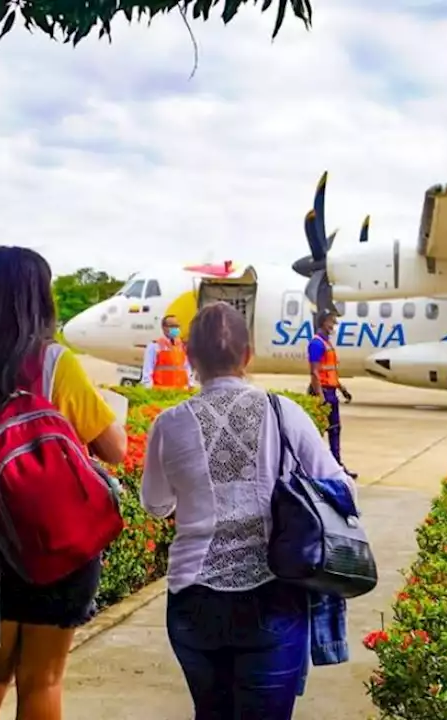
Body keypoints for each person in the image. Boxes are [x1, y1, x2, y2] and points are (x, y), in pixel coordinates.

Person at [0, 246, 128, 720]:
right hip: (53, 547)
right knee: (42, 682)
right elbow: (114, 449)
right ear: (41, 298)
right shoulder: (55, 363)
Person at [141, 301, 354, 718]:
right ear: (248, 356)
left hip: (192, 599)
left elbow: (155, 504)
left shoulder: (169, 424)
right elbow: (341, 489)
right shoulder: (284, 413)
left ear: (190, 358)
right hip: (272, 592)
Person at [307, 312, 357, 478]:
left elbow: (330, 372)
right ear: (322, 323)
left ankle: (336, 465)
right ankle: (318, 468)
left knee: (335, 430)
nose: (333, 325)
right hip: (322, 392)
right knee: (318, 432)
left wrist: (342, 389)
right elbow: (314, 372)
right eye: (330, 322)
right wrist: (320, 396)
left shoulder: (326, 344)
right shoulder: (317, 344)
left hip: (331, 391)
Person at [141, 315, 194, 389]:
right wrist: (148, 389)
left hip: (180, 392)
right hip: (161, 392)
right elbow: (147, 371)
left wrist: (190, 385)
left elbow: (187, 368)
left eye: (177, 326)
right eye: (172, 326)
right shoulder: (155, 346)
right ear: (163, 327)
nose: (175, 329)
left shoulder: (182, 346)